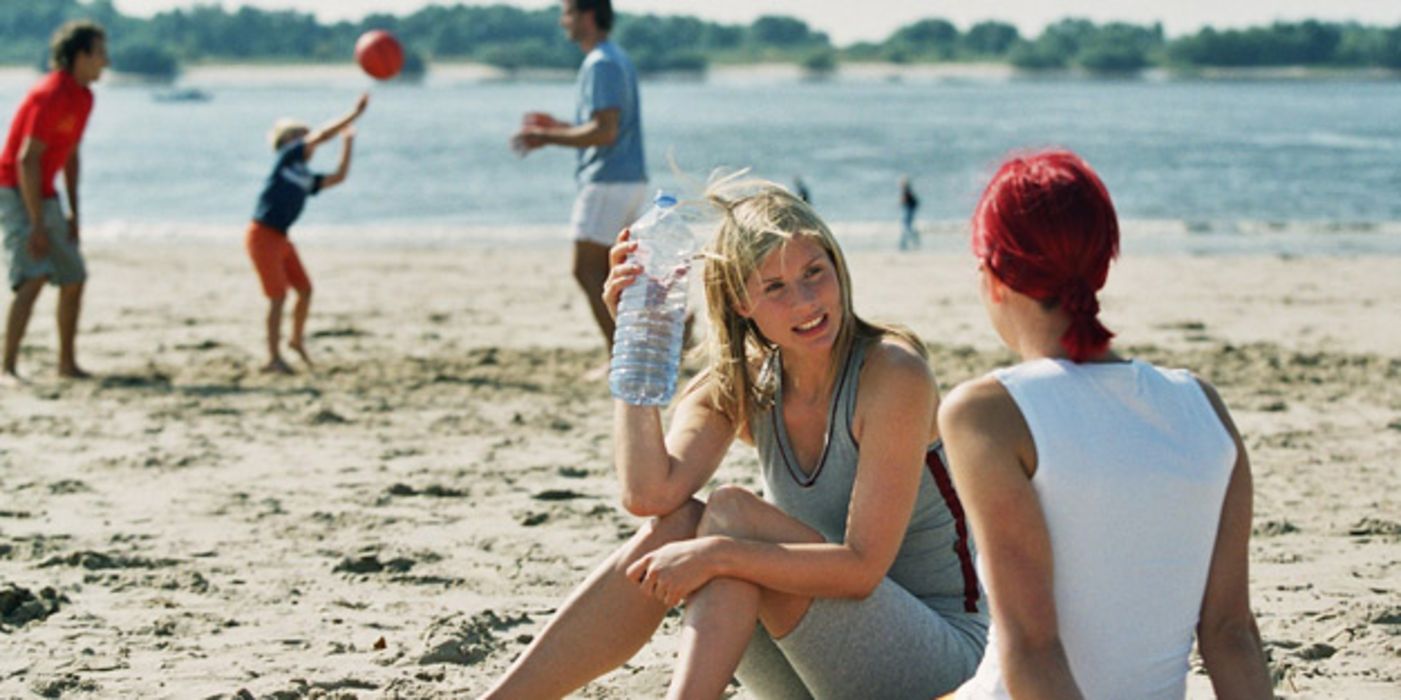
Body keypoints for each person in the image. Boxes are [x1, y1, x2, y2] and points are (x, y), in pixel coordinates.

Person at [482, 179, 987, 699]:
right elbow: (648, 496)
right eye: (775, 287)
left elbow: (861, 569)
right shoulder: (744, 383)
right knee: (680, 523)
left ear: (838, 267)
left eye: (815, 273)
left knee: (730, 518)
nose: (806, 301)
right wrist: (635, 338)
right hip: (816, 664)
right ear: (741, 302)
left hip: (941, 666)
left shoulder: (891, 373)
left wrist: (720, 555)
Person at [939, 150, 1273, 699]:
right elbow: (1231, 633)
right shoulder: (1203, 406)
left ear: (993, 275)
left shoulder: (988, 413)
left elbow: (1033, 649)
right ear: (1101, 263)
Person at [511, 0, 647, 357]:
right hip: (627, 179)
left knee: (587, 271)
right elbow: (602, 127)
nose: (562, 21)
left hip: (608, 180)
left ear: (587, 16)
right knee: (615, 274)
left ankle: (621, 355)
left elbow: (605, 133)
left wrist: (546, 138)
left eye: (567, 13)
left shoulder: (601, 63)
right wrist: (558, 127)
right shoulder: (615, 57)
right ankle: (637, 348)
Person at [1, 20, 107, 383]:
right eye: (100, 54)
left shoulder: (84, 97)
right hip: (14, 188)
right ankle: (7, 367)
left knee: (74, 276)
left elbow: (71, 155)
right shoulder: (50, 93)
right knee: (34, 275)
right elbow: (26, 160)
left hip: (45, 191)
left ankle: (66, 364)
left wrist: (74, 211)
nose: (105, 63)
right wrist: (36, 224)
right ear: (81, 55)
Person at [246, 94, 367, 374]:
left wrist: (348, 143)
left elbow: (338, 177)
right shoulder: (285, 159)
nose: (307, 137)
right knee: (277, 298)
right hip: (262, 234)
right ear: (287, 141)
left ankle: (296, 341)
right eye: (300, 134)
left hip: (281, 238)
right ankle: (273, 358)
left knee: (305, 290)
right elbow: (322, 135)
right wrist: (354, 113)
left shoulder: (303, 175)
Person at [899, 175, 920, 251]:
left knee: (906, 228)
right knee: (908, 228)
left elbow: (903, 201)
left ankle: (903, 244)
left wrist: (901, 202)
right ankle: (908, 243)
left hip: (908, 211)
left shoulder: (906, 192)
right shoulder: (908, 192)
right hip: (909, 211)